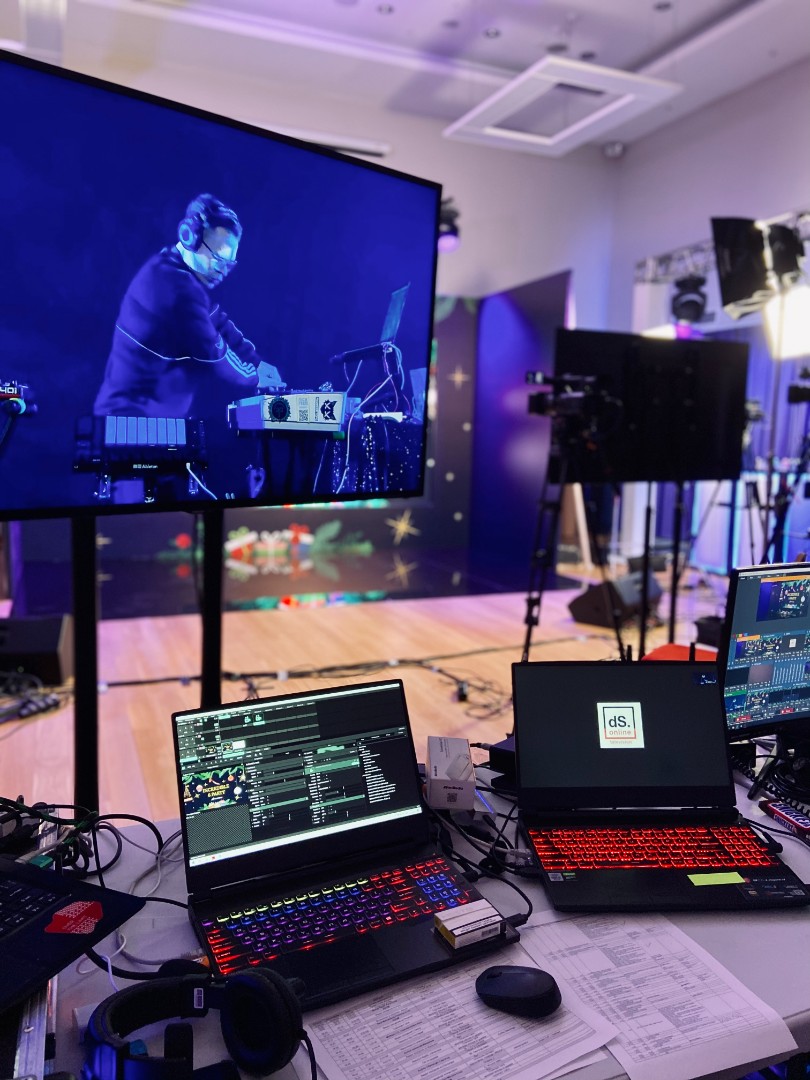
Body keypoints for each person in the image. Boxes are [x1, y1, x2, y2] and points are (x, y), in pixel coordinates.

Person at [94, 192, 283, 418]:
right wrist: (257, 377)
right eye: (218, 259)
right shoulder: (176, 288)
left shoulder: (173, 271)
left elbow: (217, 321)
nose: (223, 270)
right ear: (190, 237)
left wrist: (258, 363)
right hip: (130, 422)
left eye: (229, 264)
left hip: (142, 419)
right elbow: (215, 353)